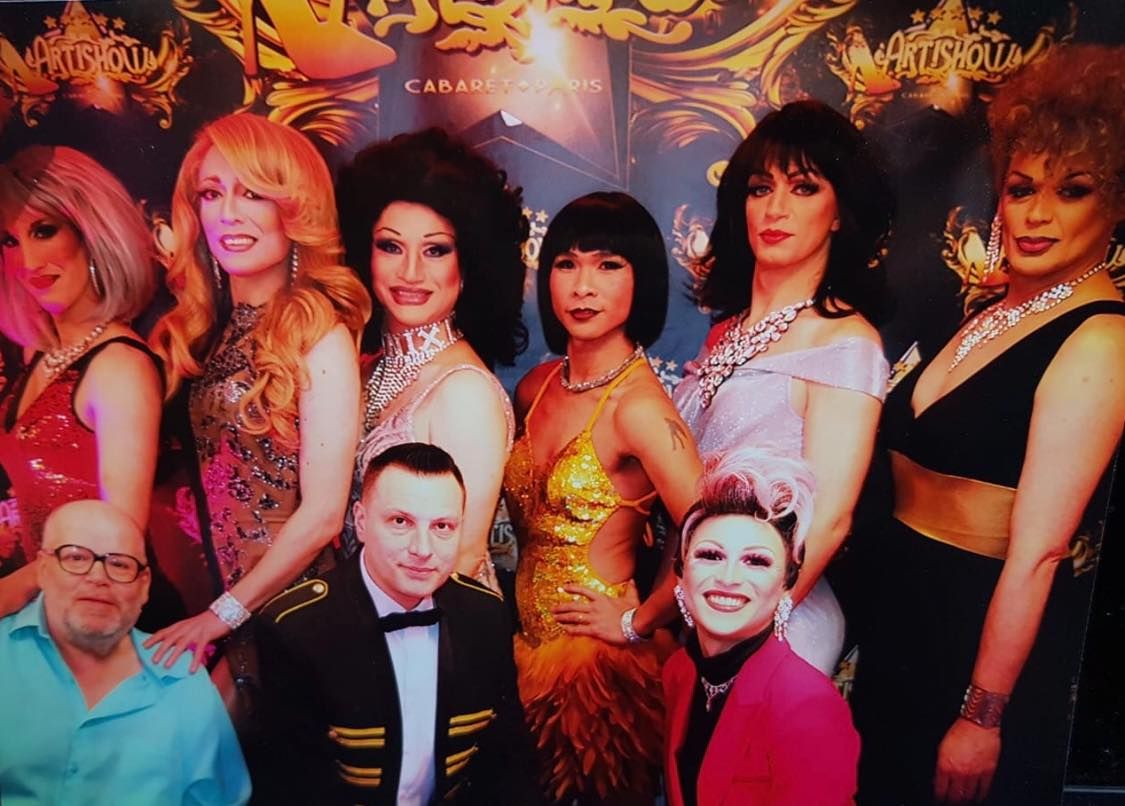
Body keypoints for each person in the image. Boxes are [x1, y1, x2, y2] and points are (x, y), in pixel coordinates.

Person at [849, 45, 1125, 804]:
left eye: (1072, 190)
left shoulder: (1100, 340)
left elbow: (1038, 555)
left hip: (973, 649)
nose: (1036, 214)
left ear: (1115, 203)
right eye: (1021, 188)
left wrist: (982, 715)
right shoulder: (989, 311)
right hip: (900, 624)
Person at [145, 113, 370, 699]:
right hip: (215, 610)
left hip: (290, 619)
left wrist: (221, 617)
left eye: (253, 193)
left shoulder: (320, 334)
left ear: (295, 208)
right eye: (211, 193)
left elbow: (323, 516)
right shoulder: (205, 331)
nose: (227, 213)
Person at [672, 100, 893, 674]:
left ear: (840, 212)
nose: (775, 209)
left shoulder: (846, 342)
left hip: (779, 625)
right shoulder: (724, 332)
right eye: (759, 188)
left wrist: (747, 634)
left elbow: (831, 520)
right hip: (703, 611)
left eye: (803, 188)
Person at [503, 192, 703, 803]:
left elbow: (712, 539)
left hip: (596, 674)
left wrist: (637, 622)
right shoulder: (537, 386)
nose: (582, 286)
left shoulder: (639, 409)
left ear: (643, 280)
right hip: (520, 649)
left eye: (608, 265)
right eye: (566, 263)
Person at [254, 443, 541, 805]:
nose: (422, 549)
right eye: (400, 522)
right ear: (361, 522)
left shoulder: (484, 613)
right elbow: (296, 787)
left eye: (442, 526)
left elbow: (507, 759)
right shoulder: (297, 628)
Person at [335, 128, 527, 590]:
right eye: (391, 246)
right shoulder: (366, 369)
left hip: (436, 625)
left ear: (470, 264)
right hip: (355, 616)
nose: (410, 272)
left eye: (435, 250)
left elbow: (461, 559)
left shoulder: (465, 392)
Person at [0, 146, 167, 620]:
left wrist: (11, 590)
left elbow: (118, 543)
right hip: (44, 612)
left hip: (101, 622)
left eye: (44, 230)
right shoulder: (42, 353)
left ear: (92, 232)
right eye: (9, 240)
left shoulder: (119, 367)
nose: (28, 261)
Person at [0, 499, 249, 805]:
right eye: (76, 557)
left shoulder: (182, 681)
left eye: (119, 564)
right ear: (43, 570)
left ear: (144, 586)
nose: (97, 577)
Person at [663, 448, 859, 806]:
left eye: (756, 561)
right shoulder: (680, 672)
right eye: (710, 555)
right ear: (681, 575)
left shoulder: (805, 703)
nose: (728, 578)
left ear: (786, 585)